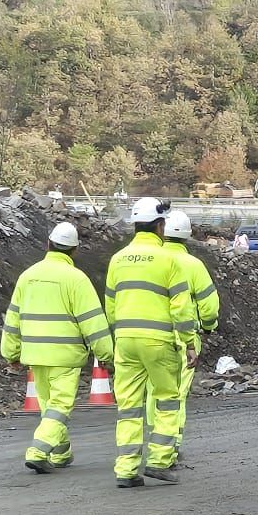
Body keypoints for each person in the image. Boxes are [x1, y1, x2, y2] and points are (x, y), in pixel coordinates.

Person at [0, 221, 115, 475]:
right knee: (59, 406)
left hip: (35, 355)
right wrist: (107, 355)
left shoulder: (28, 276)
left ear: (48, 244)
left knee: (49, 407)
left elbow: (13, 318)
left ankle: (61, 452)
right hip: (65, 356)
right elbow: (93, 322)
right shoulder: (76, 279)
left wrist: (11, 353)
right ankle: (38, 452)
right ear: (74, 250)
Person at [103, 197, 199, 488]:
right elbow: (181, 309)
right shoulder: (169, 260)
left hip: (125, 341)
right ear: (160, 226)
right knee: (167, 400)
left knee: (129, 407)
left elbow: (110, 305)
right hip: (158, 342)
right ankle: (159, 461)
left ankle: (126, 469)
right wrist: (189, 343)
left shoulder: (117, 259)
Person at [159, 210, 220, 466]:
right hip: (185, 338)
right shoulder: (193, 265)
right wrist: (208, 327)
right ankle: (169, 444)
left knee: (156, 391)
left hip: (154, 335)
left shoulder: (153, 260)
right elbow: (209, 305)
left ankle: (154, 441)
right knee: (177, 394)